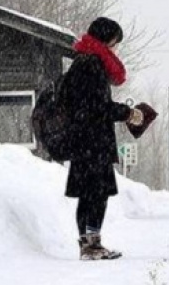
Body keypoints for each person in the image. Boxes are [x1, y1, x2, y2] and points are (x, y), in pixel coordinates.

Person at [62, 17, 143, 260]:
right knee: (96, 194)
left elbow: (85, 105)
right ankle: (92, 246)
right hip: (93, 142)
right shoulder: (93, 64)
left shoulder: (81, 62)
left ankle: (87, 245)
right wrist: (128, 113)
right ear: (106, 40)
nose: (115, 49)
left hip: (82, 141)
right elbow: (98, 107)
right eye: (114, 43)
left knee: (88, 194)